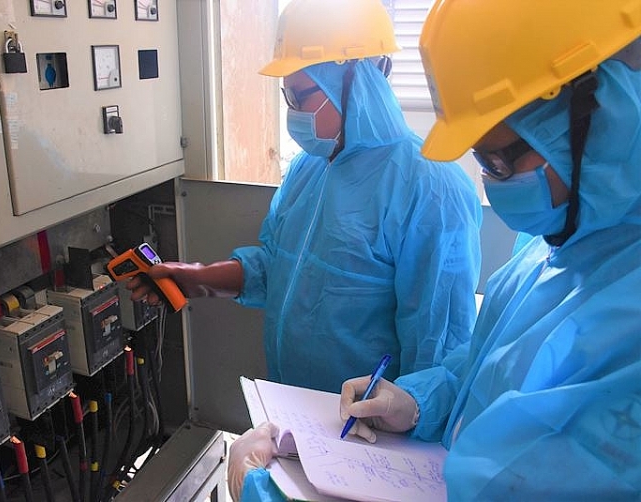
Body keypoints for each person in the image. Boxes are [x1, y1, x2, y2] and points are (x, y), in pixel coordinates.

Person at [229, 1, 641, 500]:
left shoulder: (625, 327)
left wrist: (257, 488)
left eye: (499, 163)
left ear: (604, 117)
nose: (491, 185)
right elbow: (483, 369)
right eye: (480, 159)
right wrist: (417, 402)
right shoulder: (552, 248)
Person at [130, 0, 481, 397]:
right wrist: (197, 279)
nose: (293, 113)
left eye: (302, 96)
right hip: (296, 409)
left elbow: (436, 348)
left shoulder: (430, 187)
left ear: (360, 76)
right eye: (287, 97)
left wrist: (404, 420)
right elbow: (276, 269)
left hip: (366, 425)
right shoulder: (309, 167)